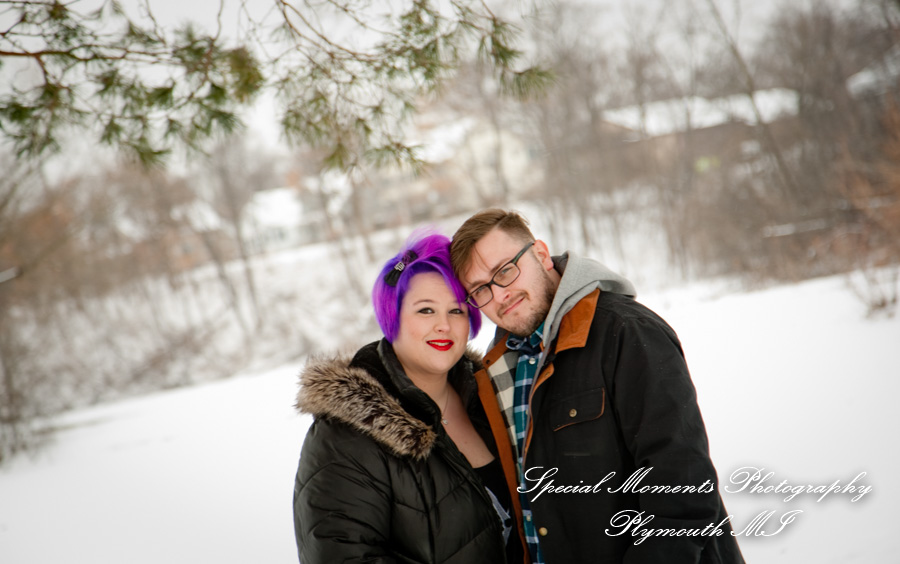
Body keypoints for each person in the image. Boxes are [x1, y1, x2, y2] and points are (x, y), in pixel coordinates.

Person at [449, 209, 745, 564]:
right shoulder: (499, 368)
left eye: (505, 271)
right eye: (481, 289)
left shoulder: (626, 332)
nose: (499, 295)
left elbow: (682, 488)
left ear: (541, 254)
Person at [292, 231, 525, 564]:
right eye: (426, 310)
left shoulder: (492, 395)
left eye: (456, 311)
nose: (443, 325)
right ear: (393, 318)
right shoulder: (346, 434)